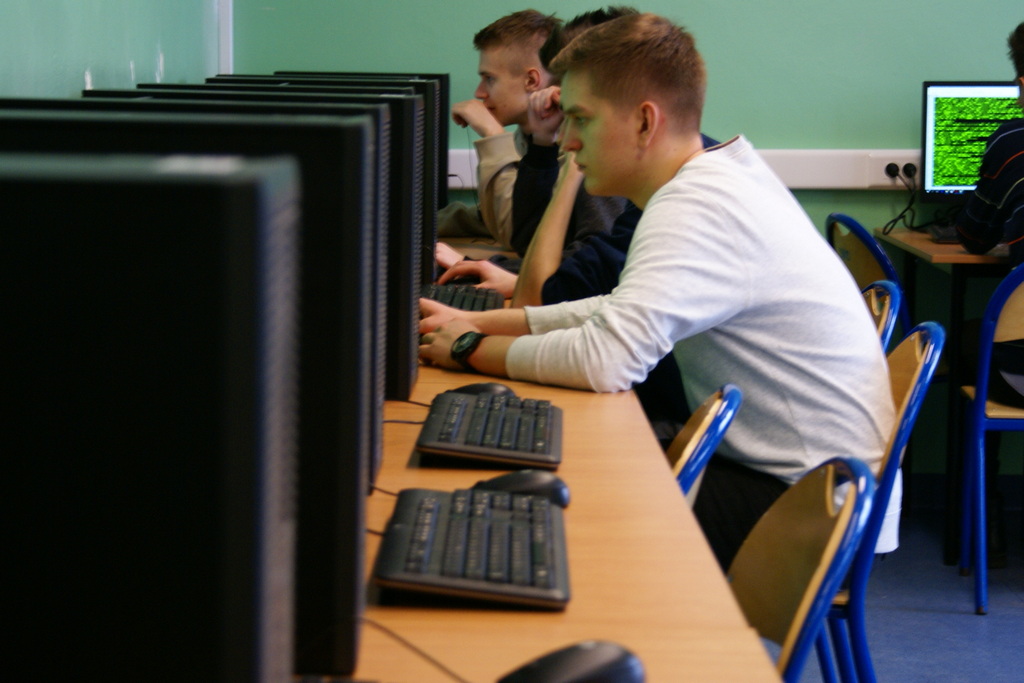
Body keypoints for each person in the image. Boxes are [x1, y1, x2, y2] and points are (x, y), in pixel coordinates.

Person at [419, 13, 895, 569]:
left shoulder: (696, 205)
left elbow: (606, 361)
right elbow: (620, 311)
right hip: (802, 477)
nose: (567, 140)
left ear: (645, 122)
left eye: (581, 119)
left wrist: (467, 348)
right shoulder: (714, 175)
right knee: (561, 477)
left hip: (812, 504)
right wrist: (486, 322)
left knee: (555, 523)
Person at [436, 10, 561, 250]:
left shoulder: (569, 146)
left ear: (531, 81)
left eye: (490, 79)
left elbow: (518, 235)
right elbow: (490, 217)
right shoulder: (526, 138)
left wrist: (493, 134)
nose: (479, 92)